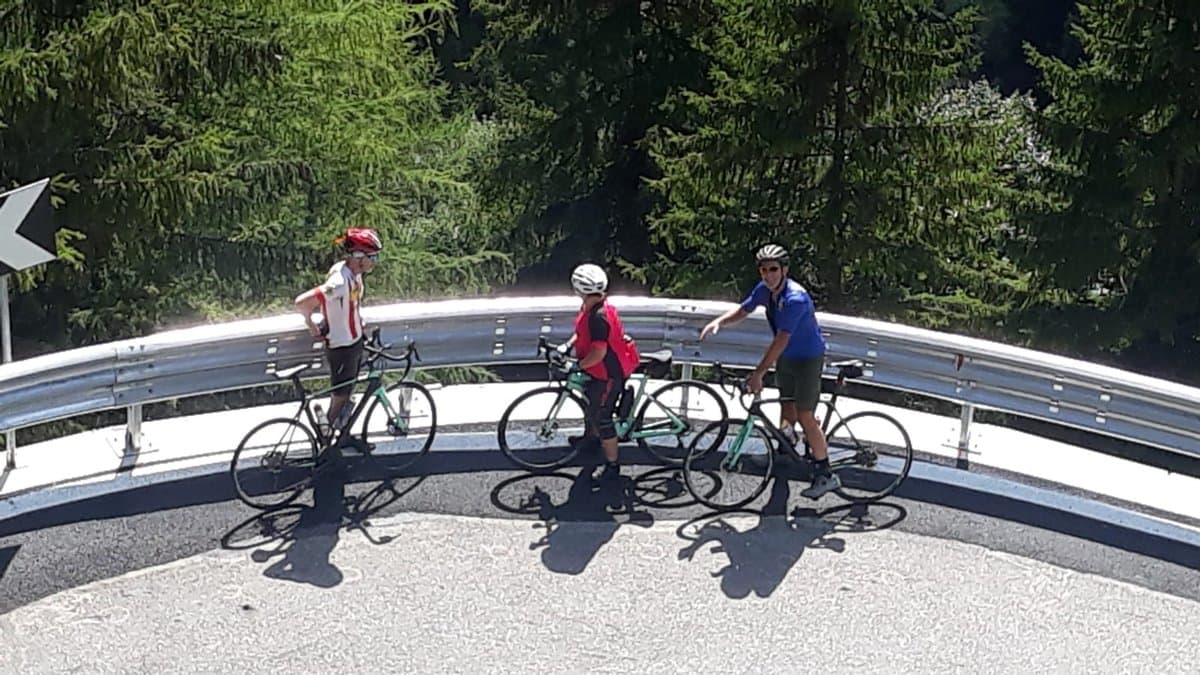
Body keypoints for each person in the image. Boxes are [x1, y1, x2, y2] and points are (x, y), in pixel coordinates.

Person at [699, 243, 841, 499]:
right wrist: (719, 321)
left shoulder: (794, 298)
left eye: (773, 269)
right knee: (787, 408)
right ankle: (785, 449)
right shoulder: (767, 290)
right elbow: (745, 309)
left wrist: (758, 374)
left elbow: (781, 340)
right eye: (763, 270)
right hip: (787, 358)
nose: (768, 274)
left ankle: (826, 473)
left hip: (807, 359)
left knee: (806, 416)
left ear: (784, 270)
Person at [294, 227, 382, 439]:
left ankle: (340, 433)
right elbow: (302, 302)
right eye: (373, 257)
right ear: (358, 257)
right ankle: (325, 440)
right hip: (342, 346)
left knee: (348, 391)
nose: (375, 262)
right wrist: (310, 323)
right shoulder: (339, 282)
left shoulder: (355, 275)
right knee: (341, 395)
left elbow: (351, 305)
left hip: (354, 342)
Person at [557, 263, 637, 484]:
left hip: (609, 373)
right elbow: (581, 332)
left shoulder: (598, 316)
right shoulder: (592, 306)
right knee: (591, 401)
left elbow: (599, 352)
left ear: (578, 289)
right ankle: (592, 439)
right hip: (600, 371)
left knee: (603, 417)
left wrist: (579, 365)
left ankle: (612, 465)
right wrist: (567, 345)